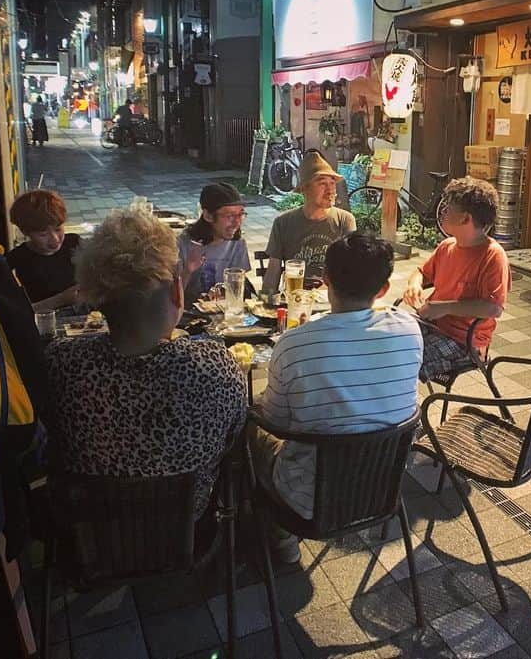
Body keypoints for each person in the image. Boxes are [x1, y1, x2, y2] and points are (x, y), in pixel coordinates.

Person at [44, 209, 247, 521]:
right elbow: (234, 438)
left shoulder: (61, 364)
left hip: (94, 533)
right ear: (178, 293)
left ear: (96, 299)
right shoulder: (216, 367)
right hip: (186, 530)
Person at [251, 232, 422, 557]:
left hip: (307, 499)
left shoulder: (294, 343)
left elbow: (274, 420)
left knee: (249, 422)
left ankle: (279, 534)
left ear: (325, 280)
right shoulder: (409, 329)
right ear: (384, 289)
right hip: (384, 487)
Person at [402, 177, 510, 382]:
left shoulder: (492, 255)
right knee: (388, 342)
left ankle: (403, 410)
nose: (443, 213)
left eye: (448, 209)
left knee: (406, 361)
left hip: (464, 342)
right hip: (432, 326)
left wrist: (443, 308)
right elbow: (422, 272)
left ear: (465, 219)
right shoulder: (448, 246)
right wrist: (414, 284)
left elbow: (493, 308)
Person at [262, 151, 356, 295]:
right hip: (295, 298)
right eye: (322, 184)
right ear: (304, 189)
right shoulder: (283, 223)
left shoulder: (345, 220)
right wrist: (266, 301)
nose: (330, 190)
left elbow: (351, 269)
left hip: (332, 299)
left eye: (332, 183)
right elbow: (273, 269)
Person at [6, 190, 81, 312]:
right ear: (26, 232)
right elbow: (17, 311)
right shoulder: (18, 258)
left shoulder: (75, 243)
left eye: (58, 229)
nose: (54, 240)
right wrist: (61, 299)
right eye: (43, 234)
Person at [177, 183, 251, 304]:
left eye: (241, 214)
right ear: (208, 216)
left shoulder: (237, 243)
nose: (237, 222)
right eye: (230, 215)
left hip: (222, 314)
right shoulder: (182, 244)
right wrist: (187, 271)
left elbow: (239, 290)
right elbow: (169, 299)